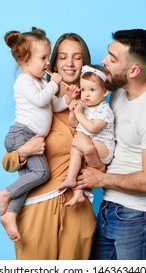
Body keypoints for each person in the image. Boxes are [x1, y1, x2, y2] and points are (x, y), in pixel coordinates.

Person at [76, 29, 146, 260]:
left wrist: (100, 179)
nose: (104, 61)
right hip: (111, 209)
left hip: (140, 219)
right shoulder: (119, 92)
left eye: (113, 59)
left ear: (134, 70)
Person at [1, 33, 105, 259]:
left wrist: (90, 153)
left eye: (77, 58)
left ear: (84, 64)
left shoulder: (99, 113)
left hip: (78, 211)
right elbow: (7, 163)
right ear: (54, 62)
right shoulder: (41, 106)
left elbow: (103, 171)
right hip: (37, 209)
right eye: (63, 57)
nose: (69, 63)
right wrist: (24, 152)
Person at [0, 27, 67, 242]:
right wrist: (55, 83)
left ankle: (10, 214)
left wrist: (69, 100)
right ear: (25, 60)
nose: (48, 62)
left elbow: (54, 104)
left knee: (27, 181)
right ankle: (5, 193)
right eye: (43, 57)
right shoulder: (24, 81)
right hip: (22, 134)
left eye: (48, 56)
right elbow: (40, 100)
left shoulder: (42, 82)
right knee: (42, 174)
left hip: (30, 136)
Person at [58, 65, 115, 207]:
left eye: (92, 90)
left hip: (103, 148)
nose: (86, 94)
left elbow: (93, 128)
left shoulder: (104, 110)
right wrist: (73, 112)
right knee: (76, 151)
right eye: (83, 90)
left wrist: (79, 114)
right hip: (87, 144)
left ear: (105, 92)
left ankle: (75, 185)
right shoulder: (84, 106)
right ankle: (75, 188)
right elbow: (73, 123)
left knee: (82, 143)